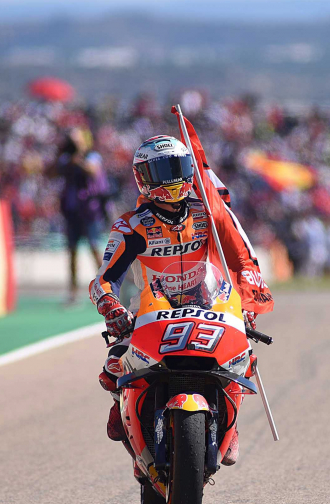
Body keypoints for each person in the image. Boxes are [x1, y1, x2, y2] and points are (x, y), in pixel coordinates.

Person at [88, 135, 259, 466]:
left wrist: (246, 305)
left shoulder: (207, 211)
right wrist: (111, 307)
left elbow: (237, 251)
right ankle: (119, 402)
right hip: (150, 311)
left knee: (243, 357)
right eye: (163, 171)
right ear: (143, 177)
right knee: (113, 367)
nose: (173, 179)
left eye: (179, 168)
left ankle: (231, 424)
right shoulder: (131, 226)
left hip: (207, 303)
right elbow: (104, 279)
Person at [55, 129, 108, 304]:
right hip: (72, 212)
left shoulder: (92, 156)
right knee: (72, 252)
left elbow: (93, 171)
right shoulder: (65, 158)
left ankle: (106, 288)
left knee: (94, 248)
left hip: (89, 211)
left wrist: (78, 160)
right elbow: (53, 171)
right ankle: (73, 292)